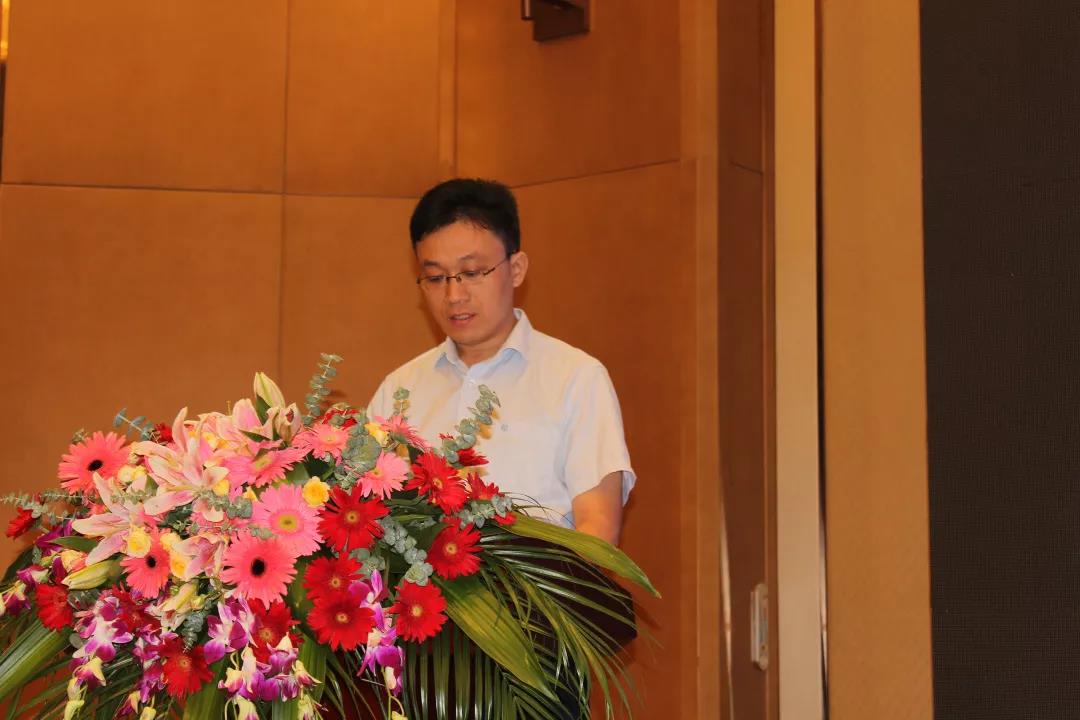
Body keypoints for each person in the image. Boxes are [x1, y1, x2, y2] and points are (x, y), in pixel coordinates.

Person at [367, 178, 634, 545]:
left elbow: (598, 533)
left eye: (472, 273)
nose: (454, 295)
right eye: (435, 277)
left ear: (517, 268)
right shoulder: (399, 390)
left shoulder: (576, 379)